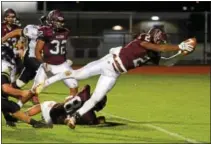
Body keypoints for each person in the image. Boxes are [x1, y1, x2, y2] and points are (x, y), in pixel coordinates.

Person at [35, 27, 196, 129]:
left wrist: (180, 54)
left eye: (161, 41)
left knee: (97, 98)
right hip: (108, 62)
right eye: (159, 39)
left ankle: (73, 119)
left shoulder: (154, 49)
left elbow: (166, 63)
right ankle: (46, 82)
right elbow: (159, 47)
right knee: (77, 74)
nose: (161, 43)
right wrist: (179, 46)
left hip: (114, 73)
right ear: (152, 36)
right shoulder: (144, 39)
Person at [1, 46, 49, 128]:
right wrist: (22, 93)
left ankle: (33, 123)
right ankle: (35, 123)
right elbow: (5, 89)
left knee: (7, 103)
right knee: (11, 106)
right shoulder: (5, 66)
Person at [25, 85, 106, 127]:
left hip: (52, 110)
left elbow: (87, 87)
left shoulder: (85, 96)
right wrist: (99, 120)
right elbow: (97, 121)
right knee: (71, 110)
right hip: (55, 121)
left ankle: (24, 115)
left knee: (45, 104)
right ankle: (67, 118)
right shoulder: (91, 117)